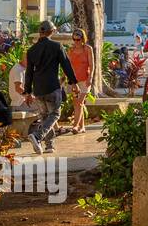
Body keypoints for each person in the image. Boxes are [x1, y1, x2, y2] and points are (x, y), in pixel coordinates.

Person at [22, 20, 77, 154]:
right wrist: (74, 82)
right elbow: (66, 65)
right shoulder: (57, 46)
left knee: (45, 117)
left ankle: (49, 145)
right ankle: (37, 136)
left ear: (40, 33)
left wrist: (28, 91)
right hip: (52, 86)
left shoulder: (31, 50)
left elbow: (29, 73)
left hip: (38, 88)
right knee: (55, 115)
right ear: (51, 32)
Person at [65, 28, 95, 134]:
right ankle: (82, 127)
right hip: (74, 81)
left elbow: (92, 65)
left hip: (85, 80)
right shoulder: (71, 50)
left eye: (78, 39)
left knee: (80, 102)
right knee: (76, 104)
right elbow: (67, 66)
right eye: (74, 39)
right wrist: (64, 77)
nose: (76, 42)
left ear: (83, 39)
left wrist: (90, 77)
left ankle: (75, 126)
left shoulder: (88, 49)